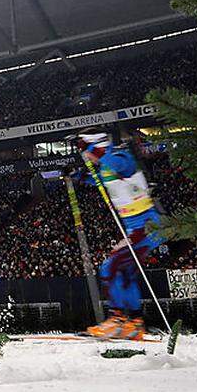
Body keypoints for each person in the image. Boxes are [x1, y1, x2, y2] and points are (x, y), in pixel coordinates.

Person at [75, 131, 163, 341]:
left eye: (88, 151)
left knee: (110, 267)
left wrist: (89, 149)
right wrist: (77, 176)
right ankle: (133, 323)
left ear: (98, 146)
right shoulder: (105, 168)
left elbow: (121, 167)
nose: (88, 157)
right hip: (135, 228)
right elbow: (103, 182)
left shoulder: (121, 158)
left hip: (146, 226)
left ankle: (117, 320)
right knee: (125, 272)